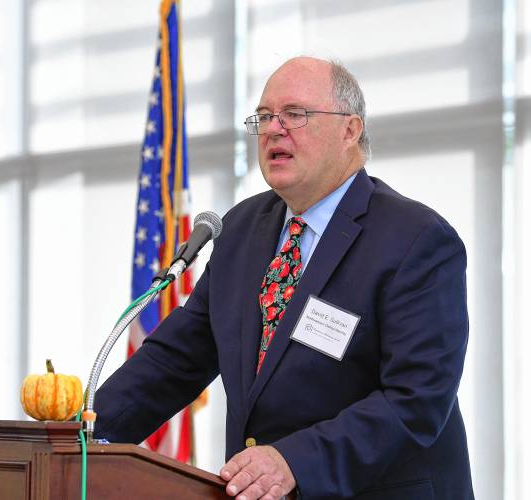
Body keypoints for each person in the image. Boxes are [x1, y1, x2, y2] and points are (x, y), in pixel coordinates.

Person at [93, 56, 473, 499]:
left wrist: (295, 460)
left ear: (350, 130)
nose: (274, 129)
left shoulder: (416, 239)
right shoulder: (240, 230)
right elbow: (174, 360)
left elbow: (416, 399)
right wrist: (78, 436)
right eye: (265, 117)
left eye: (295, 115)